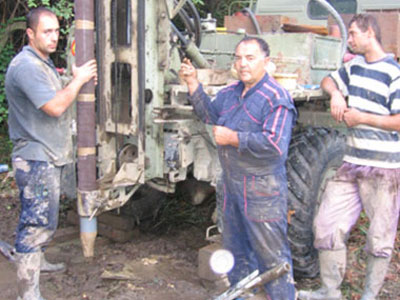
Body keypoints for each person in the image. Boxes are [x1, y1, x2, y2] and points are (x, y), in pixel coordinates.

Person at [179, 36, 297, 299]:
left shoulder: (276, 97)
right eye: (238, 58)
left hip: (262, 188)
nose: (243, 64)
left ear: (266, 62)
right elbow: (209, 115)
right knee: (236, 251)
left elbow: (276, 145)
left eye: (250, 58)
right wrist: (192, 83)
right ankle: (243, 295)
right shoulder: (231, 93)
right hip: (232, 186)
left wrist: (233, 138)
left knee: (271, 256)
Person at [298, 14, 400, 300]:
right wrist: (336, 96)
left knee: (379, 238)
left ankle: (369, 295)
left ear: (370, 34)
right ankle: (330, 292)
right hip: (351, 163)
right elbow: (328, 80)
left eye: (353, 34)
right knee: (326, 226)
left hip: (384, 168)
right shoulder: (354, 66)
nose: (350, 39)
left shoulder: (394, 72)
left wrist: (363, 118)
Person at [5, 7, 97, 300]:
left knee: (46, 220)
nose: (54, 37)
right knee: (35, 224)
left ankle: (38, 263)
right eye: (47, 31)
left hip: (48, 156)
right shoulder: (26, 67)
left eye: (57, 31)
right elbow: (55, 107)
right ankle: (27, 293)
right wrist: (79, 80)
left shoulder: (42, 63)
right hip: (35, 159)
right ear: (30, 34)